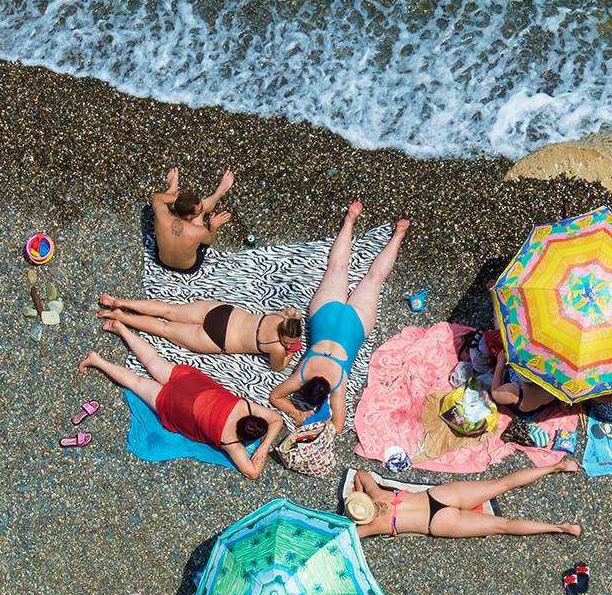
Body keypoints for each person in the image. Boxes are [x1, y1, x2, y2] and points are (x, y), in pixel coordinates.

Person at [79, 319, 284, 479]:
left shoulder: (246, 407)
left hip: (190, 384)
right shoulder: (231, 442)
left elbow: (276, 418)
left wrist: (265, 440)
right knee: (137, 383)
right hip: (177, 406)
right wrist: (263, 448)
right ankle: (97, 361)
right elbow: (252, 473)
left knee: (153, 360)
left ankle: (121, 329)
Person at [269, 202, 410, 430]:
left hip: (355, 326)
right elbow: (276, 396)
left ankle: (398, 234)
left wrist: (299, 415)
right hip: (325, 316)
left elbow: (338, 425)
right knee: (336, 267)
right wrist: (295, 409)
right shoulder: (303, 374)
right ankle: (350, 219)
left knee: (375, 279)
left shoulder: (338, 385)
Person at [344, 461, 583, 539]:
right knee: (502, 484)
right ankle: (557, 467)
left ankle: (561, 528)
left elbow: (349, 537)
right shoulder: (378, 494)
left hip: (437, 523)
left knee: (504, 525)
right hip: (438, 496)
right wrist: (360, 493)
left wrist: (355, 521)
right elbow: (361, 474)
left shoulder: (374, 525)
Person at [95, 293, 303, 371]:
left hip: (222, 313)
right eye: (289, 341)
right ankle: (120, 316)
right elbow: (278, 368)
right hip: (220, 339)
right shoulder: (277, 347)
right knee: (164, 328)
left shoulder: (283, 316)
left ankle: (120, 302)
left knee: (170, 310)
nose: (290, 344)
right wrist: (290, 353)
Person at [151, 167, 234, 274]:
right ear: (188, 217)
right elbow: (211, 240)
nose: (201, 209)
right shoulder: (199, 231)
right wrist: (213, 226)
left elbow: (158, 197)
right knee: (204, 206)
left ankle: (172, 189)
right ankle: (219, 193)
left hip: (162, 261)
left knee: (166, 203)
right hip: (188, 267)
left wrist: (175, 195)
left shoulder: (161, 215)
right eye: (198, 210)